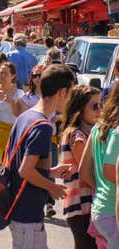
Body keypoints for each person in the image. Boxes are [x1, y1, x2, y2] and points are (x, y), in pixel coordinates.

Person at [5, 64, 75, 249]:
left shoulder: (26, 116)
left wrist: (50, 172)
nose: (71, 99)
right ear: (62, 92)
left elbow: (21, 164)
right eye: (70, 93)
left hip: (19, 208)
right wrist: (53, 187)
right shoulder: (43, 126)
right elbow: (25, 170)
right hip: (27, 212)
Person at [60, 86, 100, 249]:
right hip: (81, 205)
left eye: (100, 104)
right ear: (80, 108)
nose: (100, 110)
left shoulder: (87, 132)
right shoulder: (77, 135)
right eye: (94, 106)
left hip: (85, 204)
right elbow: (86, 171)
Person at [79, 83, 119, 248]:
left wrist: (100, 189)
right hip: (112, 211)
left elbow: (83, 169)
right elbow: (110, 170)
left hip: (100, 209)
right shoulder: (116, 131)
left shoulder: (98, 127)